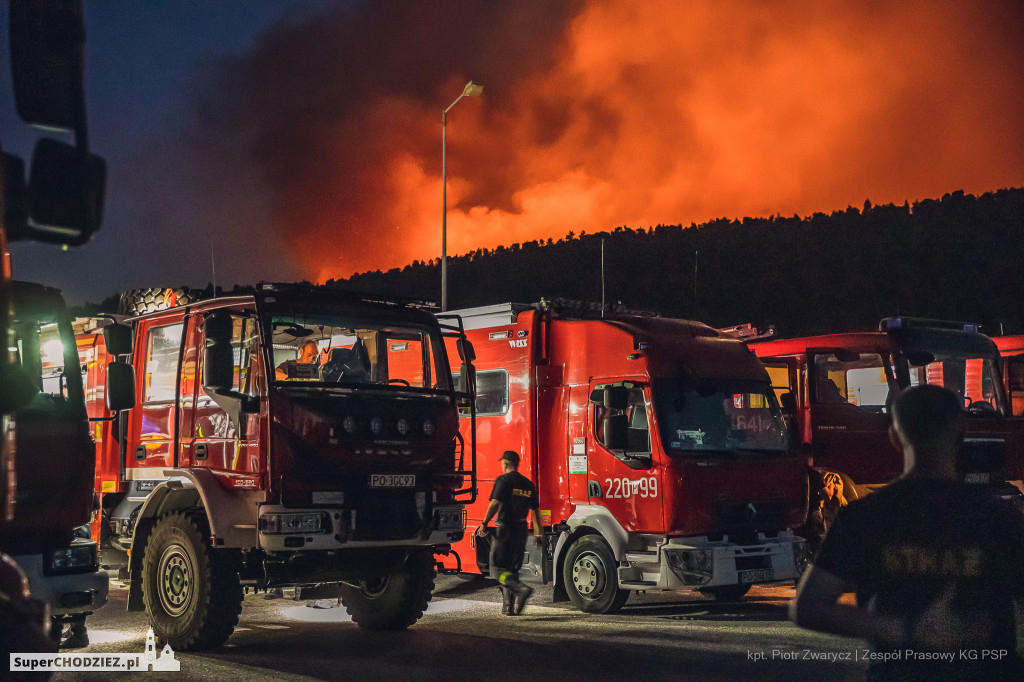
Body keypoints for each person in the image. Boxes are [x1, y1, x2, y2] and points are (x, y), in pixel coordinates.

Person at [790, 385, 1024, 680]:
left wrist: (901, 628)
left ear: (894, 439)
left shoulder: (863, 517)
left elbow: (808, 607)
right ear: (960, 437)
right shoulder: (998, 517)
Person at [475, 450, 543, 616]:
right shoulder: (528, 484)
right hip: (521, 530)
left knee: (498, 570)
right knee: (512, 569)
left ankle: (522, 590)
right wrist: (539, 533)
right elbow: (536, 510)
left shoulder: (503, 480)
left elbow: (495, 504)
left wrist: (484, 524)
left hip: (506, 529)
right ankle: (508, 607)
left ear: (505, 463)